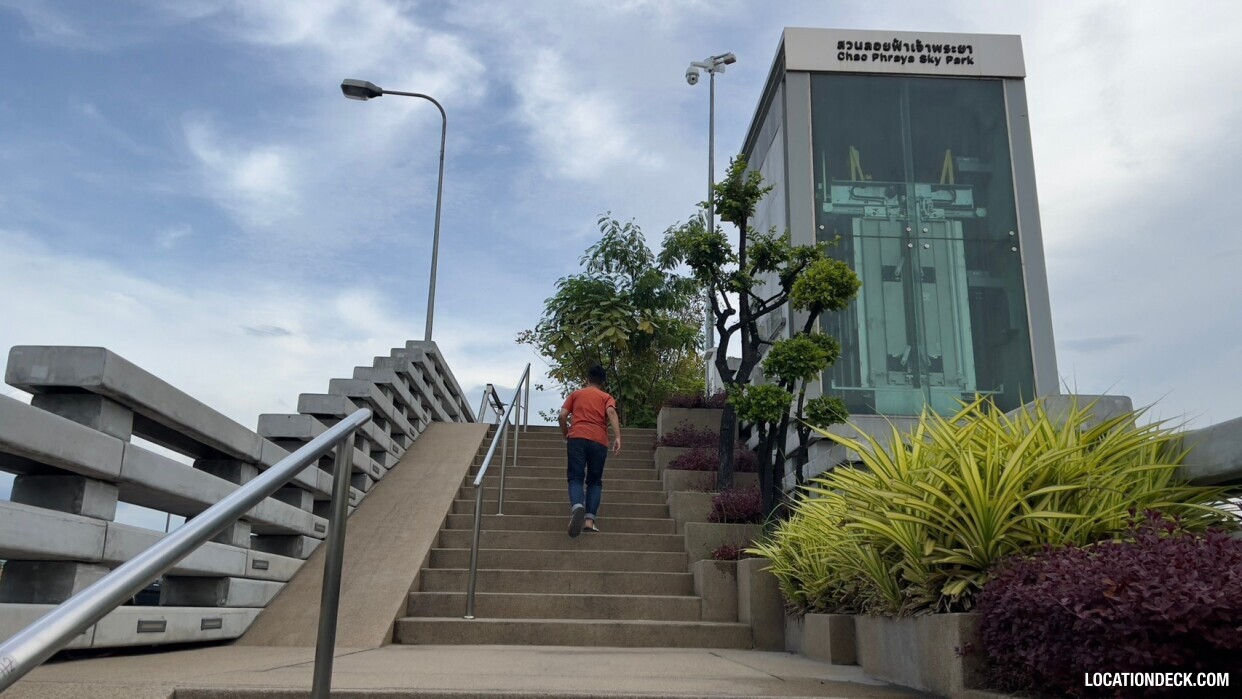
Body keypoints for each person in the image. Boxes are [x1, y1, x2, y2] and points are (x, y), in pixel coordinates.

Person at [558, 364, 622, 538]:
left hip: (577, 437)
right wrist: (617, 436)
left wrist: (566, 435)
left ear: (587, 379)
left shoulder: (576, 394)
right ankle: (589, 521)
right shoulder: (606, 396)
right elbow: (611, 412)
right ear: (603, 382)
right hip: (598, 440)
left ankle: (577, 505)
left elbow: (562, 415)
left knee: (575, 477)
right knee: (594, 481)